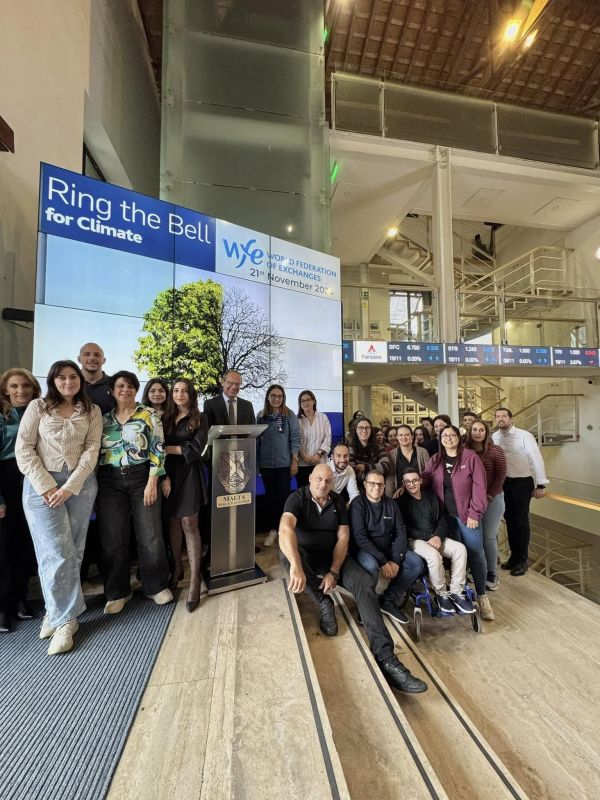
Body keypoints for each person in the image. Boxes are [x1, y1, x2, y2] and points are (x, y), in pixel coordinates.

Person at [279, 464, 427, 694]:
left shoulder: (338, 501)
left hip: (332, 555)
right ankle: (323, 601)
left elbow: (343, 539)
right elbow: (285, 529)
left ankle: (386, 658)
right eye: (319, 479)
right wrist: (297, 566)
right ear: (310, 479)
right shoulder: (297, 498)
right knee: (288, 558)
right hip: (306, 556)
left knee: (364, 583)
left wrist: (334, 572)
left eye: (328, 481)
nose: (323, 484)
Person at [15, 360, 102, 655]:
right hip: (41, 486)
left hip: (79, 486)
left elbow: (92, 450)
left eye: (73, 376)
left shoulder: (91, 410)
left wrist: (70, 487)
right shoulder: (38, 407)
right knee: (53, 551)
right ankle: (65, 620)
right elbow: (23, 449)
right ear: (53, 380)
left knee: (73, 550)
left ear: (80, 380)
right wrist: (48, 486)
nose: (68, 382)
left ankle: (57, 613)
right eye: (61, 377)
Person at [96, 370, 172, 614]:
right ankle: (118, 592)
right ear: (111, 390)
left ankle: (155, 586)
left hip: (142, 478)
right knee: (113, 538)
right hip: (109, 480)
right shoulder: (103, 419)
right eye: (120, 386)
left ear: (136, 390)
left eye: (130, 386)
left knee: (150, 535)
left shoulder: (148, 415)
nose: (125, 390)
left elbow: (158, 449)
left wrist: (152, 482)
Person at [421, 425, 493, 621]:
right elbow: (424, 479)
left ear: (459, 438)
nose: (448, 438)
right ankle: (456, 594)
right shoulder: (435, 460)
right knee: (454, 555)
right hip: (444, 519)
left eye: (452, 435)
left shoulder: (471, 458)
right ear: (440, 439)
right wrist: (406, 486)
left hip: (467, 516)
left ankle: (482, 596)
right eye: (444, 435)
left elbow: (480, 486)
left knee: (476, 553)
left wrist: (475, 513)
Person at [349, 468, 423, 625]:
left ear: (384, 486)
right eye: (372, 483)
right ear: (365, 484)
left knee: (416, 563)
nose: (376, 487)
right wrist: (383, 561)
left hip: (388, 547)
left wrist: (395, 560)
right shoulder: (357, 505)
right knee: (370, 565)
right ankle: (367, 606)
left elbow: (401, 532)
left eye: (380, 484)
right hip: (365, 549)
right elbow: (360, 538)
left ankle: (388, 600)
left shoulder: (391, 504)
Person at [397, 468, 473, 615]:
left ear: (420, 481)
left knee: (460, 549)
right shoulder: (400, 502)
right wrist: (428, 537)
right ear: (403, 484)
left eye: (414, 480)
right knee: (433, 555)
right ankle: (441, 594)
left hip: (435, 537)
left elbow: (442, 519)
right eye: (408, 482)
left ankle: (456, 592)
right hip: (415, 540)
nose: (411, 484)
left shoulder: (431, 496)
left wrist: (438, 536)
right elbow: (405, 528)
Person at [0, 369, 41, 632]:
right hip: (6, 482)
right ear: (5, 390)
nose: (20, 390)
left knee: (28, 543)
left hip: (34, 479)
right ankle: (3, 607)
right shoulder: (2, 417)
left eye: (26, 385)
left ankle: (20, 599)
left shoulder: (40, 412)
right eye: (14, 386)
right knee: (5, 547)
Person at [162, 379, 208, 612]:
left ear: (191, 394)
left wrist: (168, 449)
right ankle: (177, 568)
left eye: (184, 391)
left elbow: (196, 449)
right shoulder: (165, 417)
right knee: (173, 521)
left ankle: (194, 579)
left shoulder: (200, 418)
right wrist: (163, 475)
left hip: (190, 474)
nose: (179, 394)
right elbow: (155, 446)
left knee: (189, 522)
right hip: (168, 474)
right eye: (176, 390)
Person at [493, 407, 548, 577]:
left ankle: (522, 561)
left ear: (511, 419)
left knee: (521, 522)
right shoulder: (494, 437)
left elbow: (536, 458)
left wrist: (541, 484)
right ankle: (514, 558)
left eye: (504, 416)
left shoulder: (525, 435)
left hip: (522, 482)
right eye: (498, 416)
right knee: (509, 520)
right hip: (504, 483)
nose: (501, 419)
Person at [257, 384, 301, 547]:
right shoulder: (261, 416)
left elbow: (295, 438)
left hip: (284, 465)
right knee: (270, 500)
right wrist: (256, 464)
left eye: (280, 396)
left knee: (283, 499)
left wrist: (294, 460)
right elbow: (257, 441)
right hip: (266, 465)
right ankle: (273, 530)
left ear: (283, 398)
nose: (276, 399)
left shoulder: (289, 415)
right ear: (268, 397)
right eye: (273, 396)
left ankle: (284, 531)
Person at [466, 419, 507, 591]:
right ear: (470, 431)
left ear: (486, 432)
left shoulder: (496, 451)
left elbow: (501, 476)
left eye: (481, 430)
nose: (478, 432)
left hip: (492, 499)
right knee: (474, 538)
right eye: (474, 429)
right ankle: (477, 569)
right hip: (471, 501)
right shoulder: (464, 450)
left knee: (488, 538)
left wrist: (488, 495)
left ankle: (491, 573)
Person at [296, 390, 332, 488]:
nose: (306, 402)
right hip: (302, 464)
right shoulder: (297, 420)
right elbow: (295, 440)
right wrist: (304, 455)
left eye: (308, 399)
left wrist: (318, 455)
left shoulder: (323, 417)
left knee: (321, 490)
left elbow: (328, 438)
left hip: (320, 463)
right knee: (304, 492)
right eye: (303, 401)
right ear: (300, 404)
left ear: (314, 401)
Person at [385, 424, 430, 497]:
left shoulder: (423, 452)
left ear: (412, 436)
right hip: (399, 495)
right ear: (397, 437)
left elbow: (428, 474)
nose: (404, 437)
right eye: (401, 435)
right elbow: (390, 478)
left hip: (421, 494)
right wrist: (390, 497)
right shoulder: (391, 454)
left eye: (407, 435)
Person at [348, 417, 388, 487]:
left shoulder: (379, 447)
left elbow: (385, 466)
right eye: (361, 428)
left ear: (371, 430)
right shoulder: (350, 449)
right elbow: (352, 471)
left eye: (367, 428)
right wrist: (375, 470)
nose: (364, 430)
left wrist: (365, 467)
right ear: (356, 430)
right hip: (357, 486)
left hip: (377, 485)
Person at [78, 342, 115, 414]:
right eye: (87, 354)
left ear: (104, 360)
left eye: (97, 355)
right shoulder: (70, 384)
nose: (92, 358)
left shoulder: (114, 384)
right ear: (79, 359)